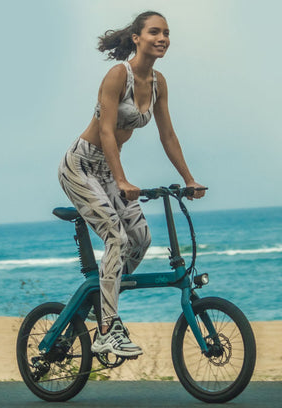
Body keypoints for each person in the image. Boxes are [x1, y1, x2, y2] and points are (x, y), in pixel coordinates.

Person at [58, 11, 205, 357]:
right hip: (81, 166)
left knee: (141, 239)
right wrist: (121, 178)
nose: (162, 38)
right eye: (155, 32)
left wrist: (189, 179)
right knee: (117, 236)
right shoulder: (117, 76)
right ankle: (107, 330)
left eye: (166, 33)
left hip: (108, 172)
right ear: (137, 38)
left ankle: (101, 298)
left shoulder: (158, 83)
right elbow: (107, 131)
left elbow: (167, 134)